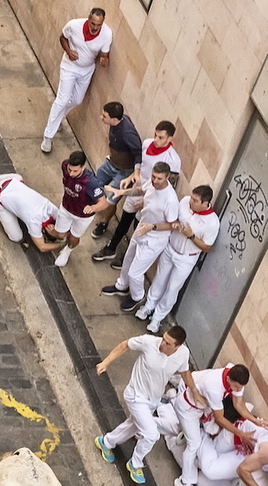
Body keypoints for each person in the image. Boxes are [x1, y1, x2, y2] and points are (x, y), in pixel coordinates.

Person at [95, 326, 192, 484]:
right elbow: (125, 345)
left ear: (177, 346)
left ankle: (106, 442)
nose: (163, 344)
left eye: (168, 343)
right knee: (151, 434)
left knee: (133, 425)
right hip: (136, 396)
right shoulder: (148, 342)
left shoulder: (183, 354)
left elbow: (185, 372)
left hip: (153, 399)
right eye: (163, 339)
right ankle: (135, 464)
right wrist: (105, 363)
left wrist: (193, 390)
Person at [172, 364, 264, 486]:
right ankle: (184, 482)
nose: (239, 390)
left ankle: (188, 434)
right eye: (237, 387)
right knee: (194, 444)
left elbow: (239, 404)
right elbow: (220, 419)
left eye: (241, 387)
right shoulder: (214, 387)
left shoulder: (235, 380)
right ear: (228, 379)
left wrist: (255, 421)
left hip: (201, 410)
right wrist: (241, 434)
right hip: (188, 409)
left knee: (196, 438)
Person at [92, 120, 180, 264]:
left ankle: (127, 257)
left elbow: (170, 185)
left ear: (170, 139)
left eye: (161, 137)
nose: (156, 140)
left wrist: (147, 200)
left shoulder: (173, 160)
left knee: (138, 228)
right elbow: (139, 163)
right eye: (156, 135)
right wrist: (132, 176)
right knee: (125, 220)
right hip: (137, 188)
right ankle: (111, 248)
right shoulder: (146, 144)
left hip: (150, 198)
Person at [140, 184, 220, 335]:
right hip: (171, 248)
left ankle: (157, 318)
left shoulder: (212, 222)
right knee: (159, 279)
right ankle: (148, 306)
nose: (191, 202)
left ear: (205, 203)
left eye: (196, 201)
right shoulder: (184, 202)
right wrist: (175, 223)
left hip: (186, 258)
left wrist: (190, 235)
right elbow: (173, 218)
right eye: (192, 198)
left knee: (172, 288)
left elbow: (207, 247)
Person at [99, 160, 178, 313]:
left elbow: (172, 224)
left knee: (135, 272)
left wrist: (152, 227)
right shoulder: (152, 184)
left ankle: (137, 296)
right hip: (142, 227)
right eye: (154, 176)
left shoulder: (170, 200)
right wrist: (121, 192)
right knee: (128, 259)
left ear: (167, 177)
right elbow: (141, 190)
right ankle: (121, 285)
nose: (155, 180)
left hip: (155, 238)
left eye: (159, 178)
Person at [40, 8, 112, 153]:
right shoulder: (74, 25)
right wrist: (68, 51)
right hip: (69, 67)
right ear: (88, 19)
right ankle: (48, 136)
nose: (95, 28)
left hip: (86, 70)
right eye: (93, 24)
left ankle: (58, 117)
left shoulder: (106, 34)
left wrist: (104, 60)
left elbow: (104, 54)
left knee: (77, 100)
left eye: (98, 25)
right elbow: (62, 38)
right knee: (62, 99)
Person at [90, 103, 145, 239]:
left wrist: (136, 171)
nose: (101, 117)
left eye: (104, 116)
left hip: (124, 172)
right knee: (94, 184)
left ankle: (103, 223)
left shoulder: (128, 134)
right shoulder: (117, 122)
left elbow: (139, 153)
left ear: (114, 119)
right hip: (110, 163)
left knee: (111, 200)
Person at [0, 169, 61, 252]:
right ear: (43, 232)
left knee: (18, 177)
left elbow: (65, 219)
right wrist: (61, 244)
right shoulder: (35, 224)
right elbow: (42, 247)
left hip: (11, 181)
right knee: (17, 237)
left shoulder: (50, 208)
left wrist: (59, 234)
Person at [52, 150, 105, 268]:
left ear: (83, 167)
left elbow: (104, 202)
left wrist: (93, 207)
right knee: (60, 234)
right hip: (67, 208)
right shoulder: (64, 165)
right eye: (70, 170)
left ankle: (68, 251)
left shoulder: (91, 183)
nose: (71, 173)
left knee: (74, 237)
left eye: (75, 171)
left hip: (82, 216)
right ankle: (64, 239)